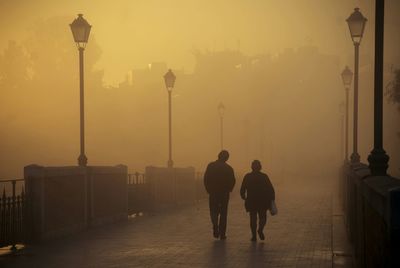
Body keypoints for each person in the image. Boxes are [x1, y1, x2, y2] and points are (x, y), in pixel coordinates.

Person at [204, 150, 236, 240]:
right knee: (223, 213)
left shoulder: (211, 166)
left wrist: (208, 189)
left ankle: (215, 225)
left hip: (213, 193)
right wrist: (229, 189)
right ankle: (222, 233)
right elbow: (233, 181)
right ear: (226, 158)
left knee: (213, 211)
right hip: (224, 194)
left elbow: (206, 178)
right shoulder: (229, 168)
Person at [240, 160, 275, 241]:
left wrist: (243, 195)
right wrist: (272, 198)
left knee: (253, 218)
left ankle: (254, 236)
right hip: (263, 201)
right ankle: (260, 229)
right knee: (263, 217)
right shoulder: (264, 176)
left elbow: (243, 188)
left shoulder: (248, 176)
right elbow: (270, 188)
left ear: (251, 167)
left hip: (251, 200)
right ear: (260, 167)